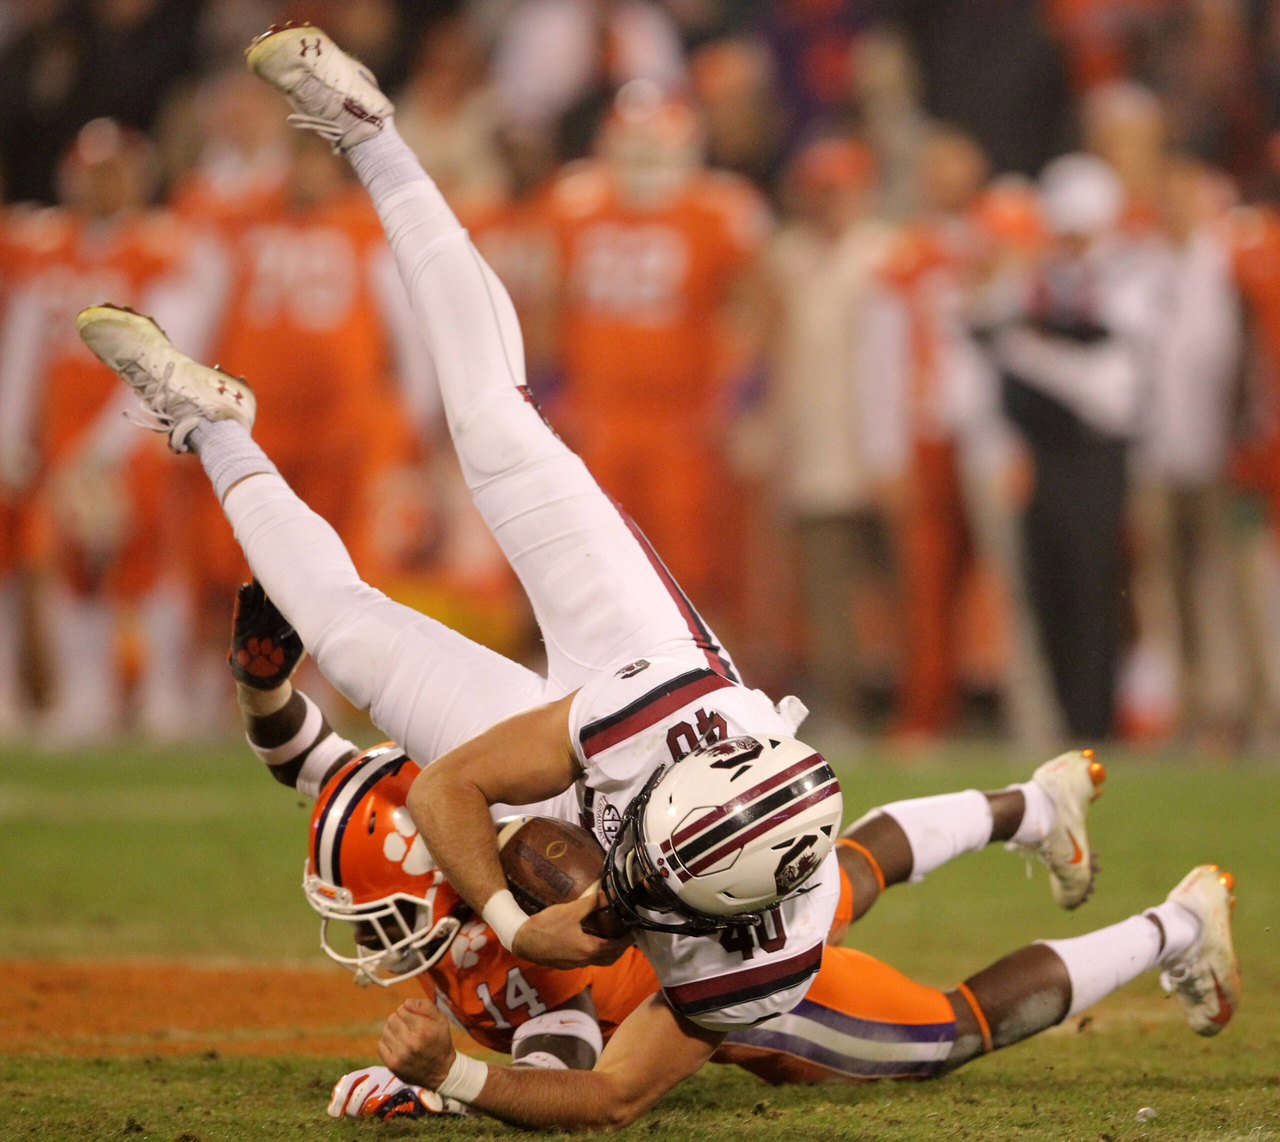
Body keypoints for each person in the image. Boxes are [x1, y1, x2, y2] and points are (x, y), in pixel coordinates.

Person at [74, 24, 1236, 1128]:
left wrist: (461, 1077)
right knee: (491, 422)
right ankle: (372, 132)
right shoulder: (665, 729)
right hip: (643, 667)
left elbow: (612, 1097)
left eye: (644, 876)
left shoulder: (750, 967)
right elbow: (452, 789)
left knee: (932, 1031)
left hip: (720, 869)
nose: (615, 861)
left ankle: (214, 432)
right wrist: (506, 920)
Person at [225, 579, 1238, 1123]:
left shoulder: (525, 947)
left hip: (722, 994)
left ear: (453, 884)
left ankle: (1180, 919)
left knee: (943, 1030)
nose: (375, 934)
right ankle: (1030, 803)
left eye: (390, 913)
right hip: (688, 913)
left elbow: (584, 1083)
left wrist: (444, 1081)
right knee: (839, 873)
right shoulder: (418, 798)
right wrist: (263, 677)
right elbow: (299, 755)